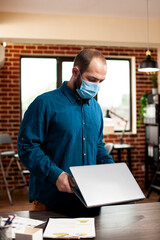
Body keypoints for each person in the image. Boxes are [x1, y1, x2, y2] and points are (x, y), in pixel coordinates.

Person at [17, 49, 114, 214]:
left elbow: (97, 146)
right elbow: (27, 147)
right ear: (75, 71)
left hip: (90, 202)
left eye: (100, 81)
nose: (96, 86)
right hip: (50, 203)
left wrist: (114, 171)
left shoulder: (96, 109)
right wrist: (56, 175)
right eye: (92, 79)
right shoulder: (44, 104)